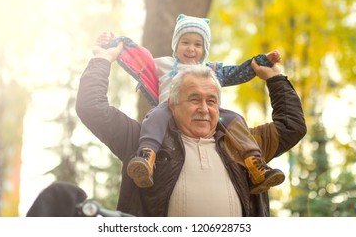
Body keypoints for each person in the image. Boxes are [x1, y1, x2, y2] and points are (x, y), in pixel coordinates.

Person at [75, 41, 307, 217]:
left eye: (212, 101)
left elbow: (292, 126)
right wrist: (102, 60)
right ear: (172, 105)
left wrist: (275, 79)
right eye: (194, 99)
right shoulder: (141, 141)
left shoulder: (245, 143)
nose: (204, 109)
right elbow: (92, 108)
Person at [96, 14, 284, 194]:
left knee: (235, 119)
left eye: (198, 44)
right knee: (154, 116)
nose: (191, 49)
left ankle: (255, 164)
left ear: (205, 49)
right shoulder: (164, 65)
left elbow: (237, 72)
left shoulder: (210, 70)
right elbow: (137, 59)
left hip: (203, 116)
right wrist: (113, 43)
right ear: (176, 45)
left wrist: (263, 61)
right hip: (169, 110)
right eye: (185, 42)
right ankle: (147, 156)